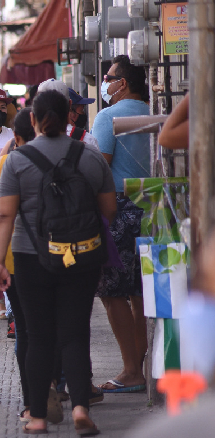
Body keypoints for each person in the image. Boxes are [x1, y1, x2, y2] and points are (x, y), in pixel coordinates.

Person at [0, 90, 117, 436]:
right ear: (69, 118)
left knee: (39, 334)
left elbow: (3, 214)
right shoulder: (91, 156)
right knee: (75, 332)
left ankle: (38, 416)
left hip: (32, 258)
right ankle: (79, 407)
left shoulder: (17, 160)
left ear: (32, 120)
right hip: (83, 254)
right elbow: (109, 210)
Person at [91, 54, 151, 394]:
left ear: (121, 83)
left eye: (109, 77)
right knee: (141, 292)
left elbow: (100, 167)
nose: (105, 83)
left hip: (118, 209)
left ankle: (132, 370)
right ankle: (141, 366)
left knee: (113, 292)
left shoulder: (108, 116)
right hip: (154, 205)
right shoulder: (152, 110)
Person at [0, 108, 35, 419]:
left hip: (16, 258)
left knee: (26, 330)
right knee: (60, 325)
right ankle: (67, 388)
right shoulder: (75, 154)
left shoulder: (4, 164)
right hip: (64, 254)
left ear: (15, 136)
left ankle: (32, 400)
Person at [36, 79, 99, 149]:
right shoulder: (88, 140)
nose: (83, 113)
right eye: (82, 110)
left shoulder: (29, 144)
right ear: (69, 106)